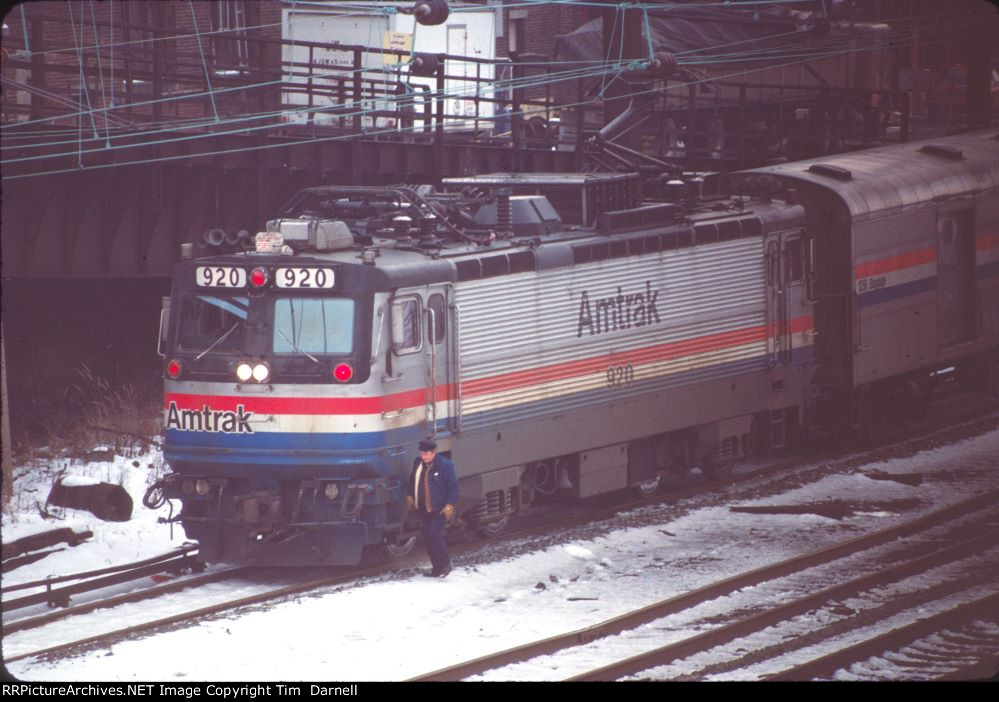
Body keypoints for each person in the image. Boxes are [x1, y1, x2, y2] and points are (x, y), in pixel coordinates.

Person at [406, 439, 459, 578]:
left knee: (434, 535)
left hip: (440, 508)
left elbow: (453, 486)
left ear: (434, 453)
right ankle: (436, 569)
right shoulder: (418, 463)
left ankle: (446, 565)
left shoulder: (445, 465)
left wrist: (450, 505)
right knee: (428, 537)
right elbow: (412, 481)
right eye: (422, 454)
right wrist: (410, 496)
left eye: (426, 454)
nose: (424, 457)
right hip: (423, 507)